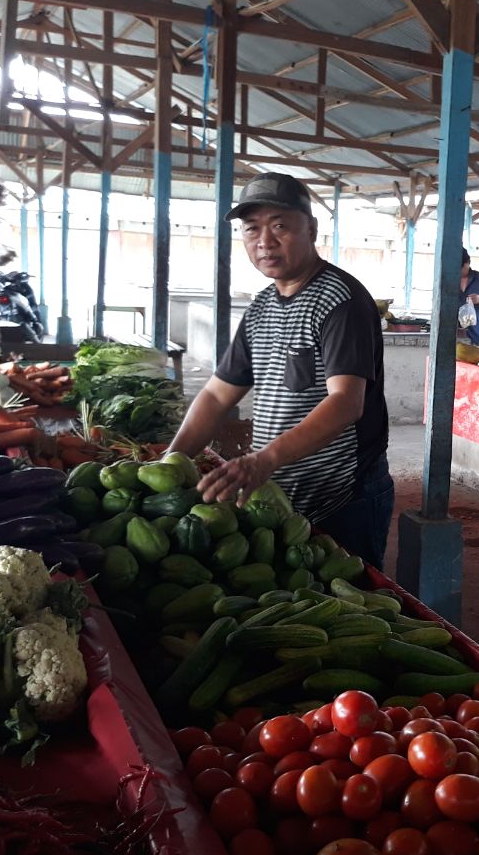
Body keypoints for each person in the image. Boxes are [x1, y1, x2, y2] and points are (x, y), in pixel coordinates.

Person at [166, 173, 393, 569]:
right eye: (252, 229)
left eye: (280, 226)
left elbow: (346, 402)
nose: (264, 241)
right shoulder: (262, 308)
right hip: (283, 494)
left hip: (343, 495)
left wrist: (264, 459)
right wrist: (170, 459)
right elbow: (218, 394)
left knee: (350, 600)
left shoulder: (342, 300)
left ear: (312, 229)